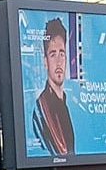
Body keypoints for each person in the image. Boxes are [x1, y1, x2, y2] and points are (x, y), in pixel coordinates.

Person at [30, 17, 75, 157]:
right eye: (52, 54)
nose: (58, 61)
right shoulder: (41, 109)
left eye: (62, 54)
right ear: (45, 61)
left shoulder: (65, 103)